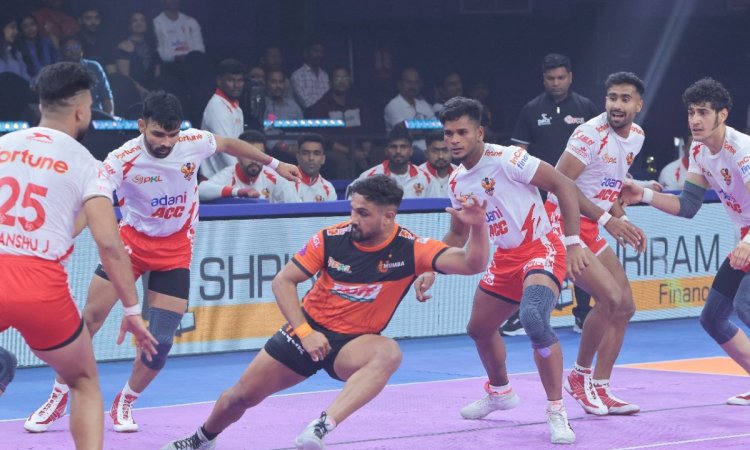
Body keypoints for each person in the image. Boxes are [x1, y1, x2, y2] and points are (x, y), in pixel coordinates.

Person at [24, 92, 300, 435]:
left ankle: (125, 401)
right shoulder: (121, 159)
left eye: (172, 134)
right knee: (88, 322)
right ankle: (58, 396)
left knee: (162, 342)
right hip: (131, 244)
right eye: (158, 134)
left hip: (174, 249)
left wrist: (275, 164)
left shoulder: (192, 142)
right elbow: (91, 204)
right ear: (142, 126)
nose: (166, 142)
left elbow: (230, 143)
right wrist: (63, 237)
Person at [161, 174, 491, 450]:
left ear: (388, 217)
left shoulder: (411, 248)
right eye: (353, 210)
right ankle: (201, 439)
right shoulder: (330, 239)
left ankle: (321, 425)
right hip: (306, 331)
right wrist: (305, 332)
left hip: (353, 344)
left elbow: (471, 264)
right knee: (239, 398)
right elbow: (283, 282)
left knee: (388, 352)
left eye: (363, 213)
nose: (354, 219)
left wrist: (478, 227)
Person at [1, 61, 156, 449]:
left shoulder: (3, 146)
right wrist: (132, 311)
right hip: (41, 287)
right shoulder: (89, 166)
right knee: (83, 381)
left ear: (41, 104)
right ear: (82, 112)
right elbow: (110, 244)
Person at [418, 96, 590, 444]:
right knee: (479, 329)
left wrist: (573, 242)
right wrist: (432, 266)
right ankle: (500, 392)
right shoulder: (457, 182)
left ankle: (556, 410)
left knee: (534, 318)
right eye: (448, 133)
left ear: (479, 133)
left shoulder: (509, 158)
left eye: (462, 132)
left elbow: (563, 184)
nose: (453, 140)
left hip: (542, 246)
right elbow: (458, 234)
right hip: (506, 257)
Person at [620, 77, 750, 406]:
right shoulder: (699, 149)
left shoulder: (742, 151)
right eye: (691, 112)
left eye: (703, 112)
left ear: (722, 115)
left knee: (745, 304)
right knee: (713, 318)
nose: (695, 119)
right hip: (745, 235)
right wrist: (644, 194)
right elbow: (689, 206)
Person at [546, 72, 648, 417]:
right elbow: (560, 184)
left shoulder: (637, 136)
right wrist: (607, 220)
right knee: (609, 298)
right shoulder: (589, 134)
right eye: (612, 97)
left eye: (625, 99)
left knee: (625, 306)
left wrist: (623, 219)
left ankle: (601, 387)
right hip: (562, 223)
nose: (617, 105)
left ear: (638, 105)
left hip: (591, 224)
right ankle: (579, 376)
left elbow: (609, 186)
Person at [507, 53, 600, 336]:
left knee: (578, 248)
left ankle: (582, 314)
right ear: (543, 79)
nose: (556, 83)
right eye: (551, 78)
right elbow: (518, 154)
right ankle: (523, 314)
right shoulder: (531, 110)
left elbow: (600, 149)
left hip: (577, 195)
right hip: (540, 197)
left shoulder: (586, 108)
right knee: (535, 254)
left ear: (570, 77)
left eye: (561, 77)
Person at [307, 65, 375, 179]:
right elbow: (324, 138)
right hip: (335, 150)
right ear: (330, 82)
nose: (342, 82)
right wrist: (351, 152)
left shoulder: (358, 103)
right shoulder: (321, 106)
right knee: (342, 160)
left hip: (358, 149)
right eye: (338, 78)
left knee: (377, 155)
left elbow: (367, 129)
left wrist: (365, 152)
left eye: (345, 78)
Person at [199, 130, 299, 203]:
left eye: (259, 155)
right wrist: (238, 192)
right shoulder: (228, 174)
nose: (254, 160)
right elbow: (201, 190)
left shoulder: (275, 177)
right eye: (249, 155)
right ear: (237, 156)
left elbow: (296, 207)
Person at [351, 127, 441, 199]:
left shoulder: (426, 178)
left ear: (411, 151)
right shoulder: (370, 177)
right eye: (393, 147)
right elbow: (351, 201)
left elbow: (438, 208)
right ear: (386, 151)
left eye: (403, 147)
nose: (398, 151)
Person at [200, 59, 246, 179]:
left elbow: (238, 146)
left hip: (229, 177)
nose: (236, 85)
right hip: (214, 179)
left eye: (240, 80)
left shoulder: (236, 107)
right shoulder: (217, 107)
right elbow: (226, 148)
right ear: (219, 81)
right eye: (231, 80)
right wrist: (245, 176)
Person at [59, 35, 113, 115]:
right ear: (63, 52)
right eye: (68, 49)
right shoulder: (58, 71)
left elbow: (106, 96)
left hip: (95, 115)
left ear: (82, 49)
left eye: (76, 47)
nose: (73, 52)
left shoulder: (94, 67)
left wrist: (109, 118)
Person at [115, 11, 160, 96]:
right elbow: (125, 77)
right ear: (129, 25)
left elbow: (157, 76)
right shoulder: (123, 47)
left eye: (142, 20)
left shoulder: (153, 47)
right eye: (135, 20)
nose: (139, 23)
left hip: (153, 93)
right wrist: (142, 91)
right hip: (132, 93)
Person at [293, 133, 338, 202]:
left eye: (317, 153)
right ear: (298, 157)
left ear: (323, 159)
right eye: (305, 153)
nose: (311, 158)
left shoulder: (328, 188)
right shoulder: (285, 184)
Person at [17, 13, 59, 79]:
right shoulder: (19, 49)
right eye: (25, 27)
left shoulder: (47, 42)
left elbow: (57, 61)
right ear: (21, 30)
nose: (30, 29)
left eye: (32, 24)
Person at [290, 41, 329, 109]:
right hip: (308, 115)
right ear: (306, 53)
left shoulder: (326, 76)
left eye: (321, 51)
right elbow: (307, 104)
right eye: (315, 51)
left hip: (328, 115)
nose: (319, 55)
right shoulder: (297, 76)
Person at [76, 3, 114, 73]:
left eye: (96, 18)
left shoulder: (106, 41)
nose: (93, 22)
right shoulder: (75, 41)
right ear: (80, 20)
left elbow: (111, 69)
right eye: (88, 18)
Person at [419, 132, 457, 197]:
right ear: (426, 153)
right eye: (435, 151)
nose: (440, 156)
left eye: (445, 150)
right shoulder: (417, 175)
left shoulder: (460, 175)